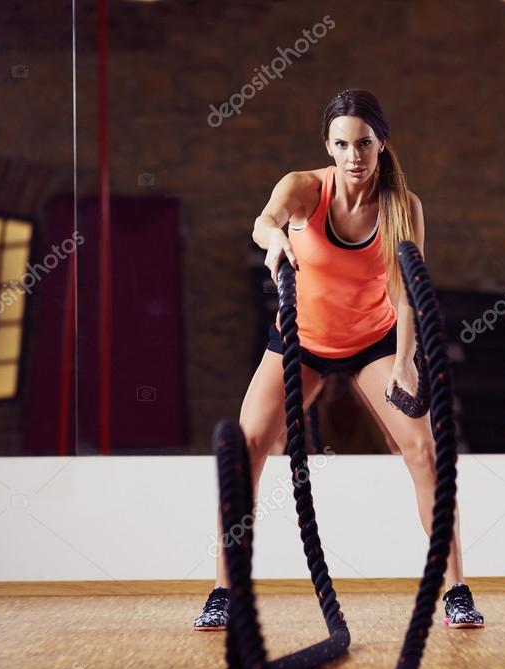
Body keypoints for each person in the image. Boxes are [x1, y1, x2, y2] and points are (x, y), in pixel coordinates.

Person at [193, 89, 484, 631]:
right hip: (301, 341)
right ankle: (222, 591)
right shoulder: (304, 189)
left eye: (365, 143)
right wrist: (275, 238)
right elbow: (265, 220)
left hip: (373, 343)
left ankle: (457, 590)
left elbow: (406, 292)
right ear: (328, 146)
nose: (355, 156)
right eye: (343, 144)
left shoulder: (404, 207)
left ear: (381, 143)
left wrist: (404, 362)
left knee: (426, 451)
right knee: (245, 448)